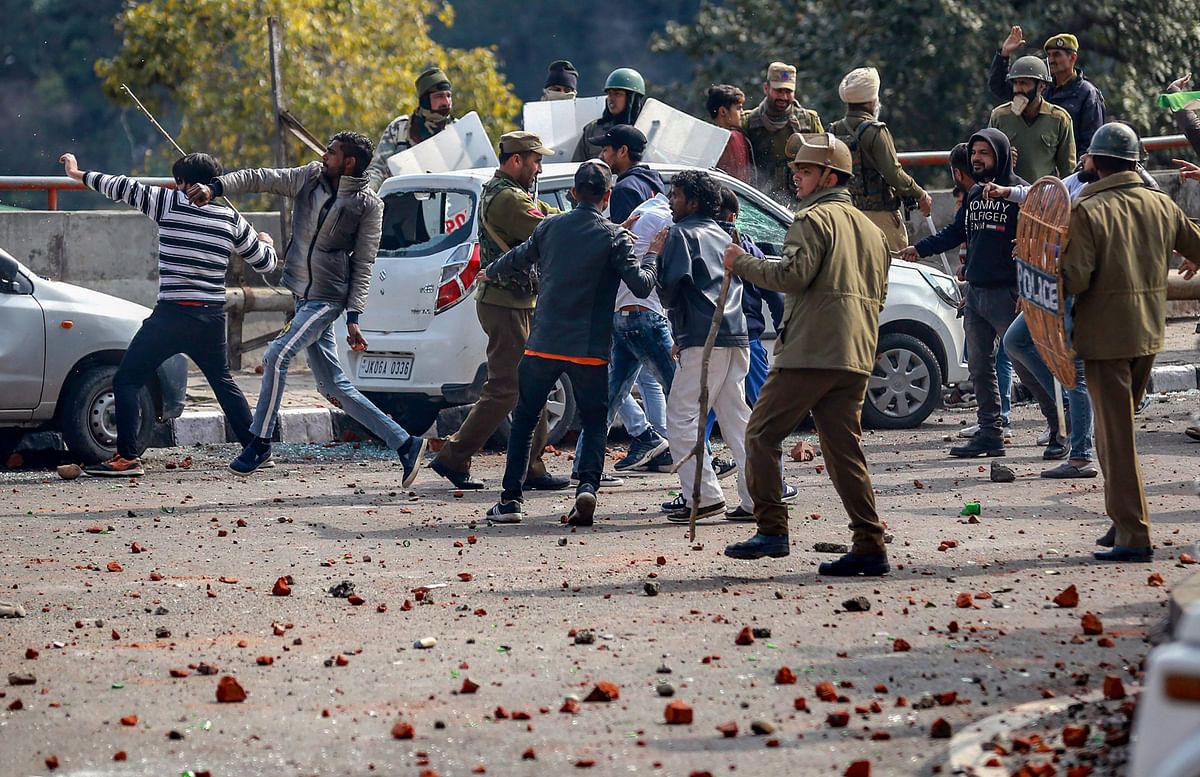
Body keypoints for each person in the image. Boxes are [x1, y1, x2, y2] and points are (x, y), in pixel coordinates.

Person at [185, 133, 428, 483]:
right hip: (301, 293)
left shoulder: (368, 205)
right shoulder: (309, 177)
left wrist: (354, 317)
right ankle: (405, 444)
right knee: (335, 387)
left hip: (327, 299)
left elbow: (364, 263)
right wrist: (217, 187)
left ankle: (259, 442)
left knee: (276, 355)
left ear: (349, 163)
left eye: (331, 152)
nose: (324, 155)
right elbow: (262, 178)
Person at [723, 133, 891, 577]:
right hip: (856, 354)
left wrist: (740, 262)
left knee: (759, 435)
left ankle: (772, 530)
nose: (797, 177)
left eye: (806, 170)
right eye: (796, 169)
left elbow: (793, 275)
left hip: (811, 352)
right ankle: (869, 544)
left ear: (830, 176)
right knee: (843, 453)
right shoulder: (873, 231)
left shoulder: (813, 219)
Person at [60, 152, 276, 477]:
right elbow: (266, 264)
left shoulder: (167, 203)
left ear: (184, 183)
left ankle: (127, 458)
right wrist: (266, 241)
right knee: (222, 381)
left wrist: (77, 173)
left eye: (179, 181)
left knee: (128, 378)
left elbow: (119, 186)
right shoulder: (230, 220)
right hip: (211, 317)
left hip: (171, 316)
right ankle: (258, 448)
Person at [480, 160, 658, 526]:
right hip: (589, 351)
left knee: (526, 420)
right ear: (607, 197)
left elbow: (518, 256)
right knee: (595, 422)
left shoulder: (549, 226)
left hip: (542, 344)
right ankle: (587, 488)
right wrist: (653, 253)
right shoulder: (614, 237)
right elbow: (641, 285)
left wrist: (491, 271)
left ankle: (510, 501)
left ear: (573, 193)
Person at [1060, 123, 1200, 561]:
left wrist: (1044, 265)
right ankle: (1120, 518)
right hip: (1148, 334)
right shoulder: (1161, 204)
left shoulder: (1087, 208)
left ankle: (1134, 536)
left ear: (1098, 162)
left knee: (1115, 437)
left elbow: (1076, 277)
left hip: (1105, 339)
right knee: (1113, 434)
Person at [900, 129, 1059, 459]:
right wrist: (919, 248)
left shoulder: (1018, 194)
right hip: (976, 294)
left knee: (1025, 364)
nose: (977, 159)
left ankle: (1058, 427)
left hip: (1009, 294)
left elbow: (1038, 238)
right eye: (975, 153)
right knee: (979, 368)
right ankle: (990, 432)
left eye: (985, 153)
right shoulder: (973, 195)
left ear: (999, 155)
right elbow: (956, 232)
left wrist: (1026, 288)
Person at [429, 132, 568, 492]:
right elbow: (548, 228)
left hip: (515, 300)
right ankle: (453, 456)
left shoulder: (511, 193)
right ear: (516, 160)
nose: (539, 168)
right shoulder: (507, 198)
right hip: (505, 303)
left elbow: (545, 215)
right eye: (535, 160)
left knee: (530, 383)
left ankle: (532, 465)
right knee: (506, 388)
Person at [985, 155, 1102, 478]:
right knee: (1016, 341)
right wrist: (1006, 194)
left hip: (1080, 289)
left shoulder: (1104, 198)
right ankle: (1065, 404)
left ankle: (1081, 455)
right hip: (1051, 284)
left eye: (1090, 154)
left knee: (1074, 371)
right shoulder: (1073, 184)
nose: (1083, 158)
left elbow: (1081, 248)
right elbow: (1037, 196)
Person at [656, 170, 753, 522]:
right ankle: (758, 497)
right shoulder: (724, 233)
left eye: (676, 195)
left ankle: (704, 495)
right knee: (737, 418)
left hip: (702, 337)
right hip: (735, 333)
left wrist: (655, 255)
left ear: (692, 201)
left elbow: (669, 290)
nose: (671, 201)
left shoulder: (680, 235)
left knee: (681, 418)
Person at [705, 187, 794, 518]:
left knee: (704, 417)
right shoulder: (746, 247)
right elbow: (775, 296)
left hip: (711, 345)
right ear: (734, 215)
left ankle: (699, 490)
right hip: (749, 342)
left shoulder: (702, 242)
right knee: (759, 415)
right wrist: (784, 330)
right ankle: (776, 484)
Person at [828, 67, 931, 252]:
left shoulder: (833, 131)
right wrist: (920, 194)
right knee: (893, 269)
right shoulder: (876, 131)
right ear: (872, 100)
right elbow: (893, 174)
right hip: (879, 218)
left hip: (843, 215)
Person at [988, 28, 1106, 151]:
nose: (1051, 60)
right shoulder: (1041, 86)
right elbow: (999, 87)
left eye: (1057, 55)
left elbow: (1091, 144)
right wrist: (1004, 54)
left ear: (1072, 58)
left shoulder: (1087, 94)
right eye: (1049, 55)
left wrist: (1074, 168)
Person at [743, 62, 823, 203]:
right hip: (761, 199)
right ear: (766, 88)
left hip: (800, 198)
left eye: (788, 92)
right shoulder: (749, 122)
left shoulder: (808, 121)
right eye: (779, 91)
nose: (784, 97)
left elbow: (823, 161)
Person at [366, 67, 457, 191]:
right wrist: (368, 192)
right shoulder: (400, 129)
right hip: (403, 201)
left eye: (449, 96)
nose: (446, 102)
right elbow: (378, 168)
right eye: (439, 96)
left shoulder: (457, 130)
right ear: (425, 100)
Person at [988, 55, 1076, 182]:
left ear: (1041, 86)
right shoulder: (1000, 116)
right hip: (1006, 195)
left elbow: (1068, 171)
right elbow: (986, 159)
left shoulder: (1059, 119)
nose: (1018, 89)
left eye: (1024, 83)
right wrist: (1002, 160)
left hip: (1044, 196)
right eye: (1015, 83)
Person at [596, 125, 667, 223]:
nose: (600, 156)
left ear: (622, 151)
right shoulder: (653, 180)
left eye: (605, 150)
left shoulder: (624, 189)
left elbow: (622, 236)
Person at [573, 68, 646, 161]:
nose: (611, 99)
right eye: (609, 94)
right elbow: (577, 165)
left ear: (632, 98)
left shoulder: (647, 129)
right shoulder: (593, 129)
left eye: (617, 94)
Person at [707, 84, 754, 183]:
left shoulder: (736, 136)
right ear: (723, 111)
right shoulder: (729, 138)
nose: (742, 112)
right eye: (738, 108)